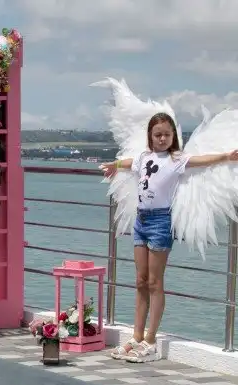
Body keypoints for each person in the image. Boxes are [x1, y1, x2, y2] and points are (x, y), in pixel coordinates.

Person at [100, 112, 238, 363]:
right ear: (150, 136)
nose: (162, 138)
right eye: (157, 135)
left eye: (166, 134)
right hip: (141, 221)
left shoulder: (177, 159)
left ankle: (151, 341)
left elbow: (201, 161)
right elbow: (129, 162)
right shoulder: (144, 157)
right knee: (140, 281)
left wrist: (225, 157)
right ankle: (137, 336)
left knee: (155, 282)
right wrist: (114, 165)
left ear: (173, 135)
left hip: (161, 222)